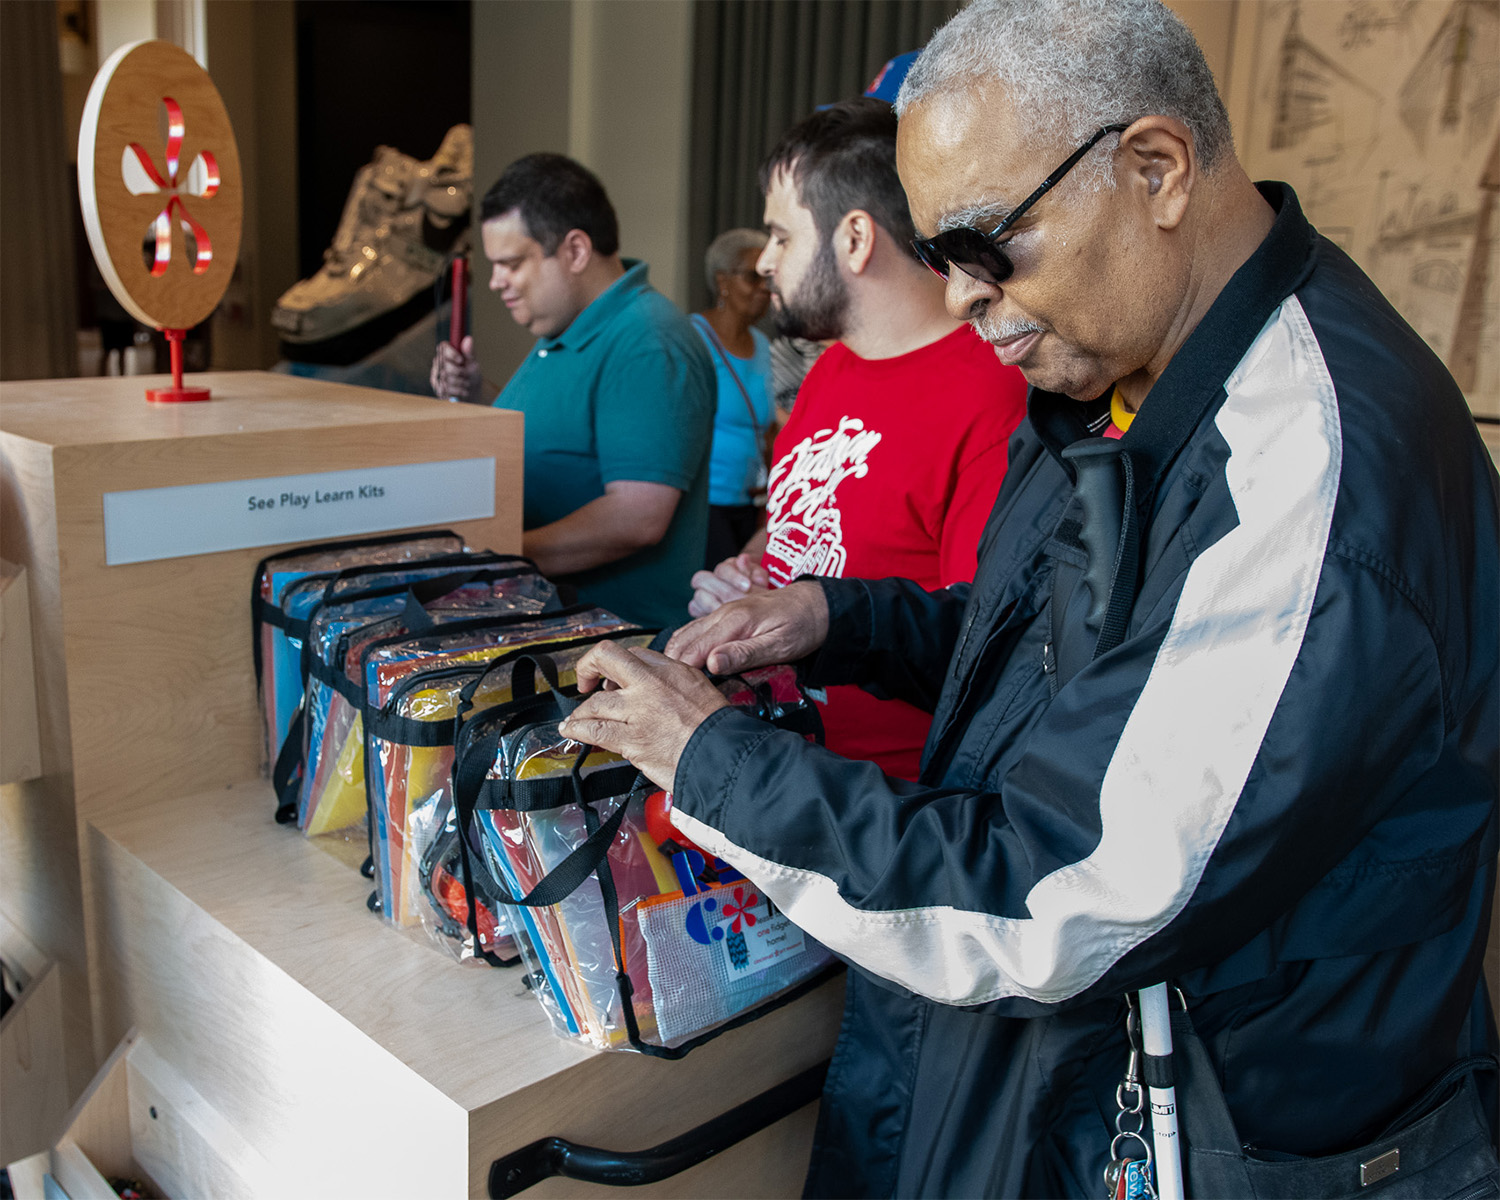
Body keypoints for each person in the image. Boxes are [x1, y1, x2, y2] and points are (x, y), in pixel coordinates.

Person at [557, 2, 1500, 1196]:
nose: (958, 297)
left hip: (1213, 1131)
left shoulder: (1308, 470)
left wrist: (713, 761)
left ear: (1155, 170)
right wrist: (841, 620)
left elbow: (1064, 899)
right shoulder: (1126, 375)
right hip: (1062, 1081)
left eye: (986, 246)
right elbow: (1078, 664)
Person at [689, 99, 1028, 782]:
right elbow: (793, 522)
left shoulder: (993, 396)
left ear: (854, 238)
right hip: (774, 757)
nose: (765, 264)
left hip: (882, 797)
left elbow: (983, 641)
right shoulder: (835, 365)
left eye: (782, 237)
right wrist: (746, 578)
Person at [430, 153, 713, 629]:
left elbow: (637, 517)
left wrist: (496, 555)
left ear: (576, 251)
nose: (496, 282)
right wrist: (479, 393)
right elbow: (560, 437)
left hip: (615, 649)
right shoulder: (566, 333)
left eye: (511, 264)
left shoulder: (646, 341)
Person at [690, 228, 775, 567]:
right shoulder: (692, 337)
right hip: (704, 506)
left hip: (750, 504)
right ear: (722, 281)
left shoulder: (763, 345)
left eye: (767, 278)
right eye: (753, 277)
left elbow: (766, 425)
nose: (764, 289)